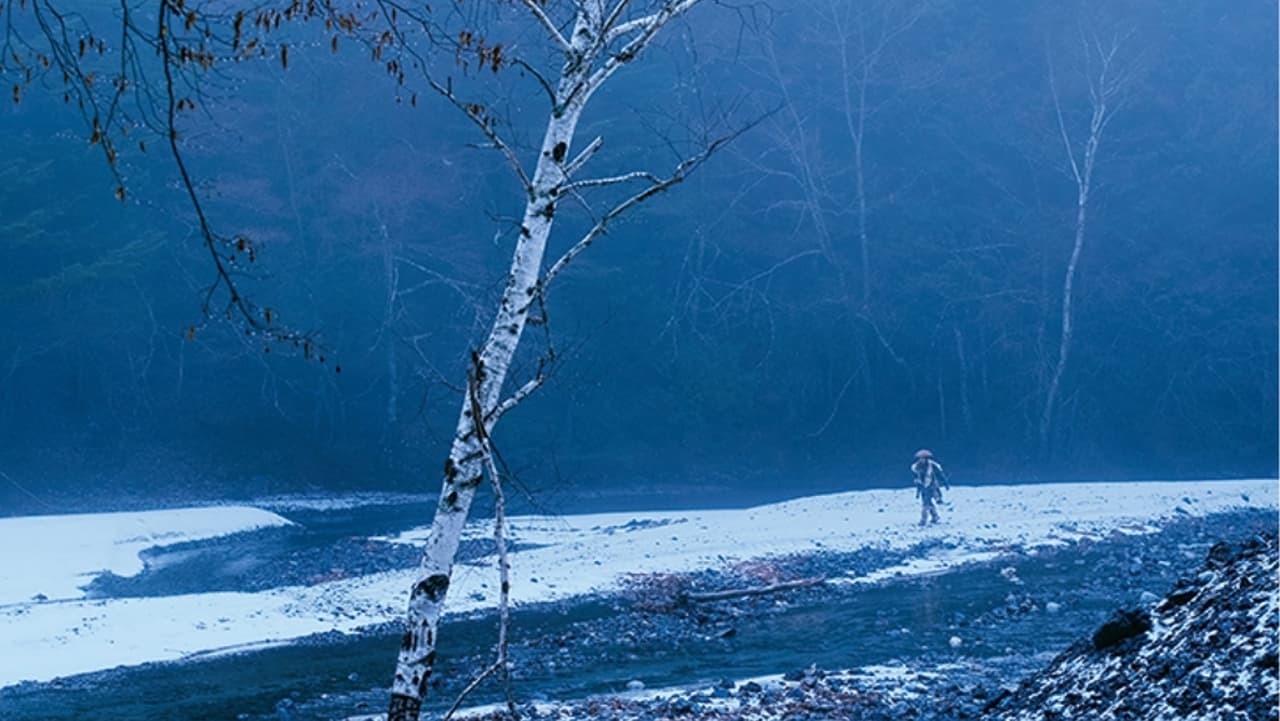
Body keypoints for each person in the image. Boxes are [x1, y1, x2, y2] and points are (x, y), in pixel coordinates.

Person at [910, 449, 949, 526]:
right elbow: (917, 479)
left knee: (925, 503)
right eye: (920, 458)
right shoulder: (916, 468)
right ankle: (935, 516)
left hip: (932, 486)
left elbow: (940, 475)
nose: (922, 460)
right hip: (923, 487)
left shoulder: (933, 466)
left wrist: (945, 483)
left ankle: (923, 520)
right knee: (928, 503)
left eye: (923, 458)